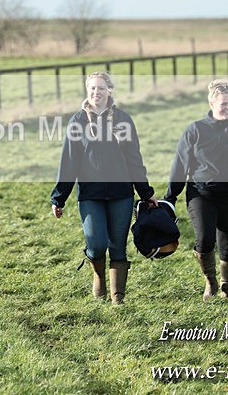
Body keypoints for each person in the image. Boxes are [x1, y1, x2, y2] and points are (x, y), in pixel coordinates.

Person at [50, 71, 158, 304]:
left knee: (118, 246)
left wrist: (146, 193)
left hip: (122, 195)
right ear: (87, 91)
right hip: (90, 196)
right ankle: (98, 274)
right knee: (97, 243)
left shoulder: (123, 120)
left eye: (101, 88)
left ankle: (118, 299)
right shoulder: (77, 121)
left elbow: (134, 159)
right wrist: (59, 198)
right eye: (92, 88)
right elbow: (69, 161)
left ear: (109, 90)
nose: (96, 92)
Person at [165, 79, 228, 300]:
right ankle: (210, 282)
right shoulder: (195, 130)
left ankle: (227, 291)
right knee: (205, 240)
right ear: (211, 103)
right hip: (201, 195)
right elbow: (180, 165)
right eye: (223, 104)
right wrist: (170, 197)